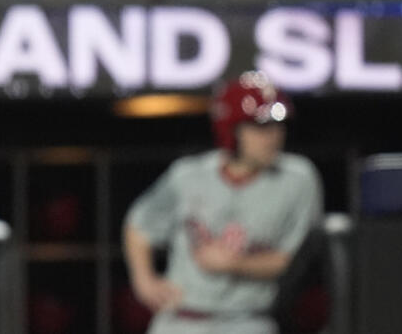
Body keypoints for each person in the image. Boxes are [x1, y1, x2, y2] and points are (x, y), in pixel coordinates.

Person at [123, 72, 323, 334]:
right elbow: (138, 226)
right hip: (181, 319)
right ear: (231, 130)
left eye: (278, 125)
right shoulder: (188, 176)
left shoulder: (298, 179)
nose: (274, 136)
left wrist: (235, 264)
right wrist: (144, 281)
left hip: (248, 320)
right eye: (261, 127)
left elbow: (295, 260)